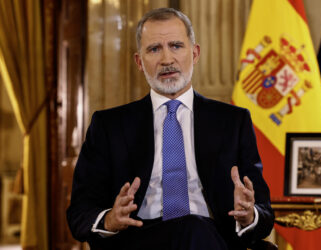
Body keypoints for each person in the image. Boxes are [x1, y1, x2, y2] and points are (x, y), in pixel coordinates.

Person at [67, 8, 274, 250]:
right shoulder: (108, 126)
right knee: (192, 228)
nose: (167, 59)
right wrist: (111, 220)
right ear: (139, 62)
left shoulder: (233, 121)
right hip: (139, 239)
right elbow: (79, 212)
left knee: (195, 228)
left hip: (211, 237)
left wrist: (248, 215)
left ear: (195, 54)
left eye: (176, 46)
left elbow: (264, 213)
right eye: (154, 49)